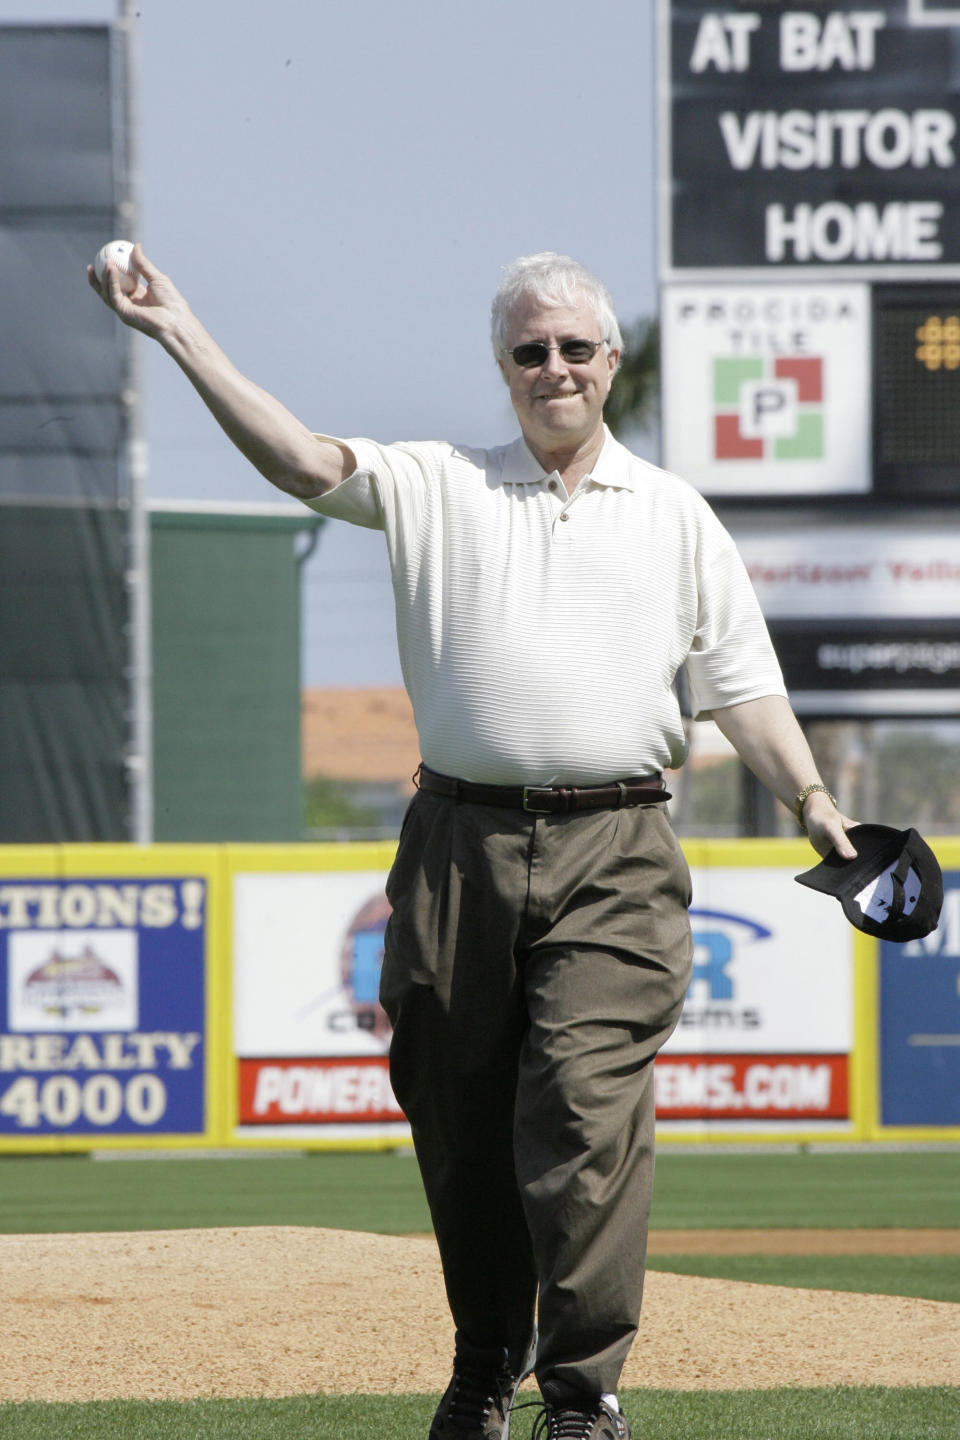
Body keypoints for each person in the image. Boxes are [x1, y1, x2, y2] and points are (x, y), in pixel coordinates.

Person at [89, 247, 857, 1440]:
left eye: (575, 347)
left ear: (611, 363)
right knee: (456, 1123)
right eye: (529, 349)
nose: (554, 365)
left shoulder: (676, 516)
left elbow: (742, 690)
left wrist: (813, 801)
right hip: (457, 845)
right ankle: (484, 1361)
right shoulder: (438, 482)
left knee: (581, 1111)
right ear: (503, 367)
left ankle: (583, 1391)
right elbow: (300, 459)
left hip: (618, 847)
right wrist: (179, 329)